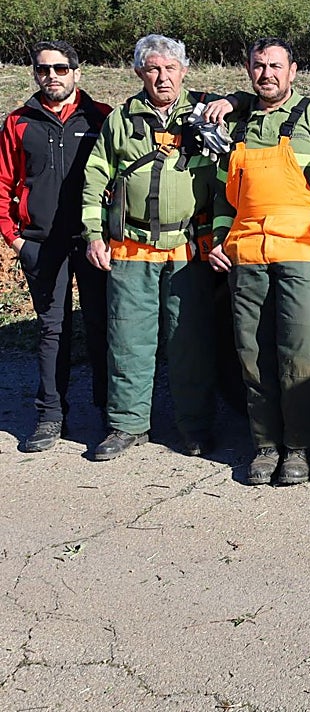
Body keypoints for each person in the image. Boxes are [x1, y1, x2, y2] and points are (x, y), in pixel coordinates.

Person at [207, 37, 310, 486]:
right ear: (248, 71)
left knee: (302, 354)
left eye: (275, 65)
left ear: (292, 71)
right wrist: (217, 238)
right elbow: (221, 194)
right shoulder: (237, 123)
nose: (266, 73)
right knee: (252, 355)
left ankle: (299, 448)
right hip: (246, 256)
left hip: (302, 254)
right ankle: (265, 445)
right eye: (258, 66)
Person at [81, 34, 225, 460]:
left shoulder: (206, 115)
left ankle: (194, 427)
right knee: (128, 341)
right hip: (131, 249)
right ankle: (126, 425)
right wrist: (93, 234)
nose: (162, 77)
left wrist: (216, 237)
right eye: (153, 69)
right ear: (140, 73)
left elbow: (225, 183)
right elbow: (94, 178)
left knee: (190, 343)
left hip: (187, 251)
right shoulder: (122, 119)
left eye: (170, 68)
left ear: (184, 71)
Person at [0, 41, 110, 452]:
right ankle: (49, 415)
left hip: (92, 242)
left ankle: (106, 413)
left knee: (100, 325)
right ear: (34, 74)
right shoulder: (18, 122)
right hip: (41, 243)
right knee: (52, 329)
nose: (52, 76)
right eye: (44, 70)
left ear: (76, 73)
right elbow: (3, 182)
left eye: (61, 69)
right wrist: (14, 239)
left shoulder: (100, 117)